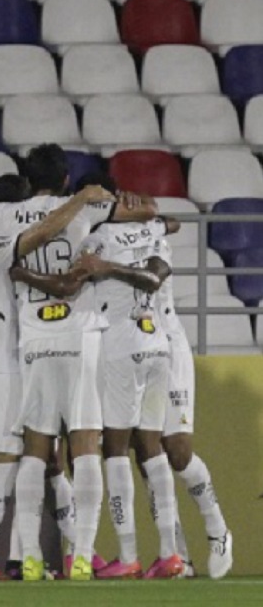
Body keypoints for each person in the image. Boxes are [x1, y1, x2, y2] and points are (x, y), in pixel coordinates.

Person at [0, 144, 157, 581]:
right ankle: (81, 556)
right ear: (66, 178)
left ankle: (29, 558)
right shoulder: (85, 206)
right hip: (81, 335)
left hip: (33, 339)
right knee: (85, 445)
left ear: (28, 180)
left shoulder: (4, 215)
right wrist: (111, 198)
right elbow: (148, 212)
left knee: (35, 449)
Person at [0, 177, 115, 581]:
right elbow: (42, 233)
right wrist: (80, 199)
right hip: (5, 367)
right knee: (11, 465)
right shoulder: (3, 250)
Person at [73, 173, 183, 580]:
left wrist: (102, 267)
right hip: (158, 345)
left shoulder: (93, 240)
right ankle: (169, 553)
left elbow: (72, 277)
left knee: (116, 449)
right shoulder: (154, 231)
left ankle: (129, 555)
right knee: (151, 448)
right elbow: (168, 232)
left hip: (119, 346)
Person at [145, 233, 233, 579]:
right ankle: (176, 554)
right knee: (147, 455)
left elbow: (155, 274)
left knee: (178, 453)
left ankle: (218, 531)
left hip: (167, 346)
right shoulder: (98, 237)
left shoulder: (151, 236)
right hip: (126, 350)